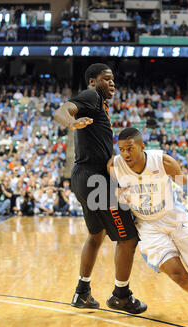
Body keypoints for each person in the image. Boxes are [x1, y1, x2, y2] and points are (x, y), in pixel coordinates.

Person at [107, 127, 188, 322]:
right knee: (178, 275)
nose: (125, 154)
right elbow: (116, 195)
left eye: (130, 148)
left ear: (142, 146)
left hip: (173, 217)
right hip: (147, 227)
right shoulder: (114, 167)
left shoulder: (163, 161)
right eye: (121, 149)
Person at [54, 63, 147, 314]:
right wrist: (72, 122)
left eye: (113, 79)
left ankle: (81, 293)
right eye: (107, 79)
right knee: (128, 238)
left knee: (96, 236)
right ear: (93, 82)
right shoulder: (91, 95)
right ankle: (121, 296)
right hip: (94, 179)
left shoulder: (100, 106)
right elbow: (62, 111)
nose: (112, 83)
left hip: (84, 177)